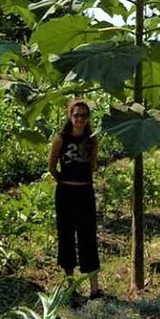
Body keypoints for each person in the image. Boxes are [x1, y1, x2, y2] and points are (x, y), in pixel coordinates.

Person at [48, 99, 102, 299]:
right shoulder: (61, 139)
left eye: (84, 116)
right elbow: (52, 166)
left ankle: (94, 288)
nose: (80, 119)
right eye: (76, 115)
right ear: (70, 117)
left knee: (88, 237)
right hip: (66, 194)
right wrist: (64, 181)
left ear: (88, 119)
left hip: (85, 192)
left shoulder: (92, 139)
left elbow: (93, 165)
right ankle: (71, 286)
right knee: (67, 237)